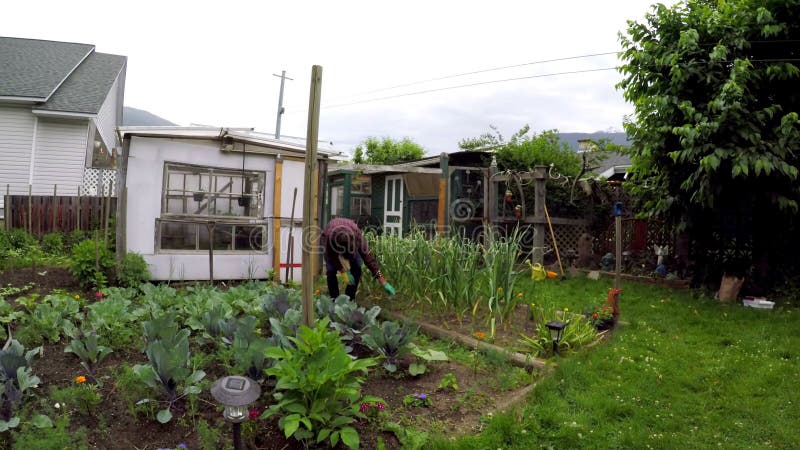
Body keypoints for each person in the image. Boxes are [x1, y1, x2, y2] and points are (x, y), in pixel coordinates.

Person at [321, 217, 395, 299]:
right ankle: (334, 299)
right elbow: (332, 257)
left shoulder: (357, 236)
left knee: (357, 269)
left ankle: (349, 299)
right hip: (330, 237)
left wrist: (383, 282)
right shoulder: (330, 238)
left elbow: (369, 258)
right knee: (331, 270)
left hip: (350, 233)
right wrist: (343, 271)